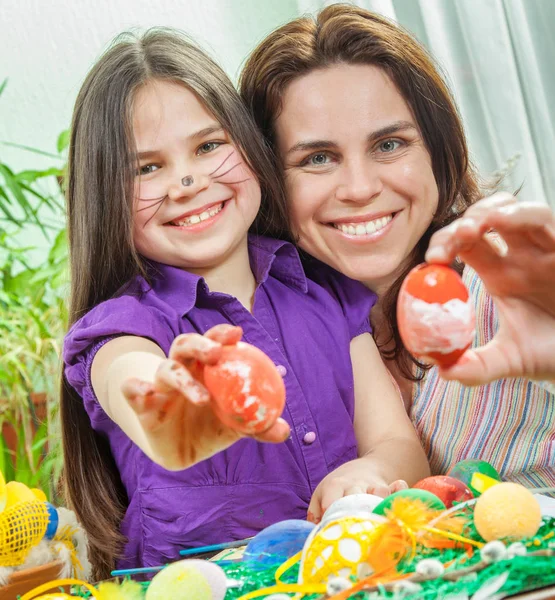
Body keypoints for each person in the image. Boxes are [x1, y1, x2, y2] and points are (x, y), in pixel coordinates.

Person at [61, 28, 429, 579]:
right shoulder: (124, 328)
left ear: (250, 147)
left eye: (208, 146)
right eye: (147, 168)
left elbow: (397, 442)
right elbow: (136, 390)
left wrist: (371, 471)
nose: (187, 181)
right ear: (103, 194)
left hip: (357, 579)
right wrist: (176, 408)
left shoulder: (325, 290)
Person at [240, 4, 555, 492]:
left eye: (389, 145)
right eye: (318, 158)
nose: (361, 187)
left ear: (438, 149)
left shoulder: (517, 278)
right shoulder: (264, 342)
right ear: (267, 182)